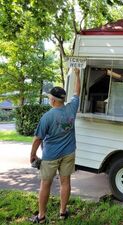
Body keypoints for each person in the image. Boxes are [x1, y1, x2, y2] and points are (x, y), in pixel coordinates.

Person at [30, 68, 81, 223]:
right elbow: (77, 92)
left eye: (50, 97)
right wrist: (78, 75)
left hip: (51, 156)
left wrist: (32, 155)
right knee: (66, 182)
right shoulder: (71, 108)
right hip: (69, 153)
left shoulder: (47, 116)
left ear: (53, 100)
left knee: (45, 184)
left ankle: (41, 217)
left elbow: (38, 139)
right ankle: (63, 212)